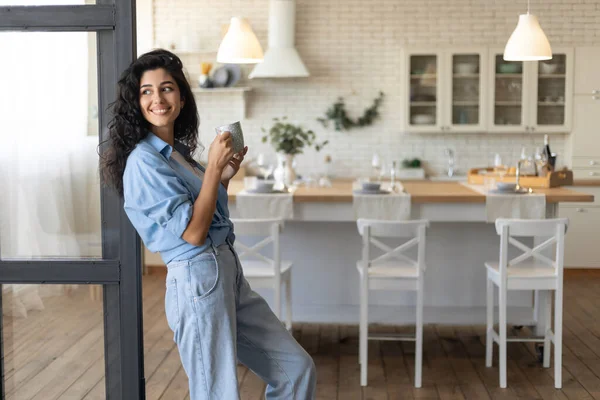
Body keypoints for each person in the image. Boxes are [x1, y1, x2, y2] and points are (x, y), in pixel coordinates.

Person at [100, 49, 316, 399]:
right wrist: (213, 168)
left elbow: (204, 212)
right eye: (146, 91)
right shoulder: (143, 161)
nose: (158, 98)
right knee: (217, 392)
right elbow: (194, 233)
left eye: (167, 88)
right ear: (136, 103)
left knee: (296, 369)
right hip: (197, 279)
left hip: (226, 272)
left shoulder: (178, 154)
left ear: (182, 98)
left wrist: (224, 176)